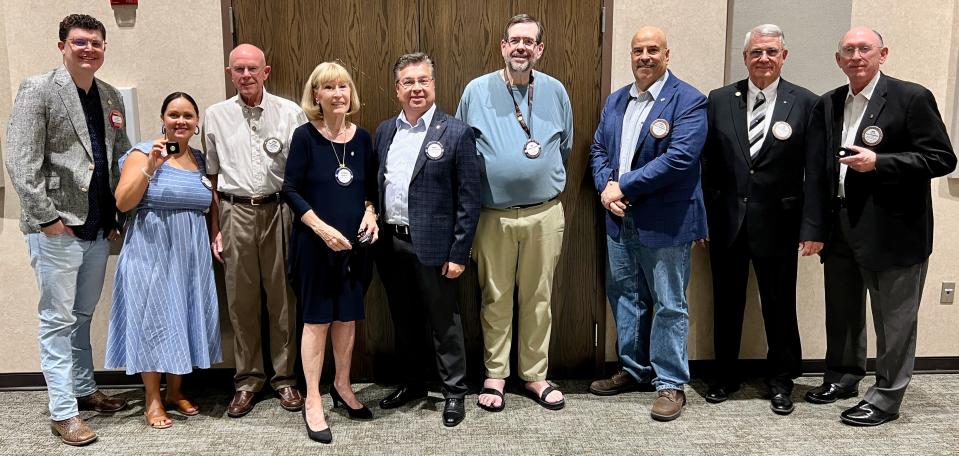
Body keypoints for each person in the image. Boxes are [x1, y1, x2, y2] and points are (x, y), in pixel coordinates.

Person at [804, 27, 956, 426]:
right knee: (842, 312)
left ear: (882, 54)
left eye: (864, 49)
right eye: (848, 50)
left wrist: (881, 163)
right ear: (838, 60)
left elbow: (941, 158)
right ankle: (842, 377)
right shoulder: (829, 103)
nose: (856, 56)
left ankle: (886, 397)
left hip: (895, 231)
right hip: (841, 227)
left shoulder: (911, 97)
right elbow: (818, 172)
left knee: (894, 320)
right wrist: (814, 227)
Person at [4, 13, 129, 446]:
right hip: (56, 228)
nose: (88, 48)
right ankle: (63, 411)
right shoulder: (39, 89)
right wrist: (47, 218)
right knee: (56, 322)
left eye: (96, 42)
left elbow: (119, 158)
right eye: (79, 42)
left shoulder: (110, 95)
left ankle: (83, 387)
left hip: (97, 228)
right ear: (63, 46)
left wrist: (118, 214)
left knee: (81, 316)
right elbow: (20, 163)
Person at [700, 24, 826, 415]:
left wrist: (812, 228)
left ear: (784, 56)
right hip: (727, 223)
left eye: (771, 52)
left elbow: (816, 172)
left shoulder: (806, 102)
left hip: (780, 224)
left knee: (779, 306)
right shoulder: (720, 100)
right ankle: (724, 376)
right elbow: (707, 166)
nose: (764, 59)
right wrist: (701, 220)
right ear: (745, 58)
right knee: (726, 303)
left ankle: (781, 380)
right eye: (756, 52)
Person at [587, 26, 707, 422]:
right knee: (626, 295)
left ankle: (671, 383)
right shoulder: (618, 100)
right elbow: (600, 148)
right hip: (619, 218)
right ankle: (634, 370)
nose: (644, 56)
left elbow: (678, 160)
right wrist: (607, 186)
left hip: (666, 222)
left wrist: (622, 185)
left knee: (669, 302)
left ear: (667, 55)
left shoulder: (688, 101)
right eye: (638, 50)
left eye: (652, 49)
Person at [456, 13, 572, 411]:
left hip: (544, 213)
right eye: (514, 41)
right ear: (503, 47)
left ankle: (536, 375)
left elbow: (565, 146)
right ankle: (495, 375)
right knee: (495, 297)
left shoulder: (556, 91)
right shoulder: (476, 90)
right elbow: (461, 151)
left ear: (539, 49)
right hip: (493, 216)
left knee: (539, 297)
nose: (521, 47)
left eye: (529, 42)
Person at [375, 53, 480, 428]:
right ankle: (413, 383)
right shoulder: (385, 131)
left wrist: (459, 251)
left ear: (434, 85)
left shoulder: (456, 133)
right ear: (397, 89)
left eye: (423, 80)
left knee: (444, 321)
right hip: (392, 244)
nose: (417, 88)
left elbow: (469, 199)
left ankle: (454, 392)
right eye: (408, 81)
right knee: (403, 320)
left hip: (437, 249)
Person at [105, 92, 222, 429]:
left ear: (197, 122)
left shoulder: (200, 160)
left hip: (190, 254)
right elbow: (123, 202)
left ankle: (175, 391)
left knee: (181, 317)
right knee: (153, 320)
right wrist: (149, 169)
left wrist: (216, 231)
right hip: (150, 251)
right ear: (162, 118)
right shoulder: (143, 152)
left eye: (188, 115)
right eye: (174, 114)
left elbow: (210, 203)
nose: (180, 121)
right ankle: (152, 399)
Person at [203, 44, 306, 417]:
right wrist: (216, 227)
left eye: (253, 69)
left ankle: (285, 379)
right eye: (238, 69)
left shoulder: (290, 112)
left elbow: (301, 171)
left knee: (282, 299)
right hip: (234, 211)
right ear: (230, 73)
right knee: (241, 301)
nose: (245, 75)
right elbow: (211, 179)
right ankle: (247, 380)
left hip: (279, 209)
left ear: (267, 71)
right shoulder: (214, 116)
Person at [282, 61, 378, 444]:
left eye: (344, 86)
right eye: (329, 88)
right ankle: (313, 399)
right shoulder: (305, 137)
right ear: (316, 96)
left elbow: (370, 189)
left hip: (355, 248)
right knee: (317, 320)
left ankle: (342, 384)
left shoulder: (363, 138)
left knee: (348, 319)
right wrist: (321, 229)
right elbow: (289, 190)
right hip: (315, 246)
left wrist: (371, 213)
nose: (338, 94)